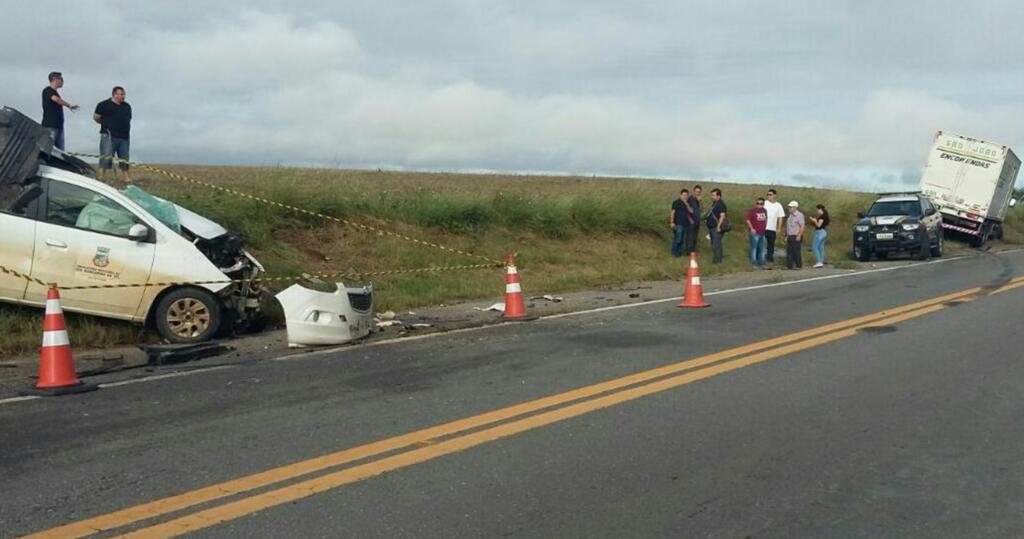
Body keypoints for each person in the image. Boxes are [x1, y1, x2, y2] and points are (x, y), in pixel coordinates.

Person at [94, 86, 133, 183]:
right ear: (114, 94)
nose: (123, 96)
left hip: (124, 137)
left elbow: (128, 119)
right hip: (109, 136)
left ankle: (126, 178)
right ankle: (101, 177)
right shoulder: (103, 105)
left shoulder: (127, 106)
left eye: (124, 94)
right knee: (106, 157)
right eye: (121, 94)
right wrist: (106, 124)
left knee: (124, 158)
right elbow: (96, 117)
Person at [41, 72, 79, 150]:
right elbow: (55, 99)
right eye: (61, 79)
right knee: (48, 149)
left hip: (58, 126)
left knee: (60, 152)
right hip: (50, 125)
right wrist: (69, 105)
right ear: (55, 79)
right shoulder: (47, 90)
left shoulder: (55, 92)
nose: (62, 82)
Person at [705, 188, 728, 263]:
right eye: (711, 195)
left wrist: (718, 226)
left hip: (716, 227)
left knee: (716, 244)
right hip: (712, 227)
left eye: (713, 195)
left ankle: (718, 260)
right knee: (714, 244)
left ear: (718, 196)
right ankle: (716, 259)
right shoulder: (714, 204)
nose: (711, 197)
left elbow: (722, 215)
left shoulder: (721, 204)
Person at [745, 197, 768, 268]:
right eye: (758, 203)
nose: (759, 205)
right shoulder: (752, 211)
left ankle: (762, 262)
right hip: (755, 233)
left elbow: (766, 219)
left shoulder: (764, 210)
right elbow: (747, 220)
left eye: (761, 204)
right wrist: (751, 228)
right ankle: (754, 263)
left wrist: (765, 227)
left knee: (762, 248)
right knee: (754, 248)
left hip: (762, 232)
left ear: (763, 204)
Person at [763, 188, 785, 263]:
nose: (768, 196)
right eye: (768, 195)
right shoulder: (765, 203)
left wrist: (779, 228)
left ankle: (770, 258)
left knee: (771, 245)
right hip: (763, 227)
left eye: (770, 195)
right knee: (762, 244)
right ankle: (761, 258)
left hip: (772, 228)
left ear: (774, 195)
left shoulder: (778, 205)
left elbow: (780, 217)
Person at [669, 189, 692, 258]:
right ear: (680, 195)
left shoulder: (687, 203)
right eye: (683, 195)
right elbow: (673, 213)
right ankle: (674, 253)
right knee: (677, 239)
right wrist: (672, 222)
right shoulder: (676, 202)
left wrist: (686, 204)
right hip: (678, 224)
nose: (685, 197)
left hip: (685, 224)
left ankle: (678, 254)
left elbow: (691, 211)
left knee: (682, 240)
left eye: (686, 195)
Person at [785, 201, 805, 269]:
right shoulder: (790, 215)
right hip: (790, 236)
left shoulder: (799, 215)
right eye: (789, 207)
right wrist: (787, 236)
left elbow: (802, 226)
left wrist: (799, 235)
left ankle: (798, 265)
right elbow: (788, 227)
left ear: (795, 208)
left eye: (791, 207)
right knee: (789, 251)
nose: (789, 208)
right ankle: (790, 266)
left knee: (796, 251)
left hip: (796, 235)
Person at [688, 184, 702, 252]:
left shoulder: (698, 200)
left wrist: (699, 201)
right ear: (693, 191)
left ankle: (693, 249)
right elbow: (686, 210)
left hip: (697, 220)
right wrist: (690, 219)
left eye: (699, 192)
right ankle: (689, 250)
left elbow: (701, 209)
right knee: (690, 235)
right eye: (696, 191)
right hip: (691, 220)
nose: (697, 193)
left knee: (695, 236)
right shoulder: (689, 199)